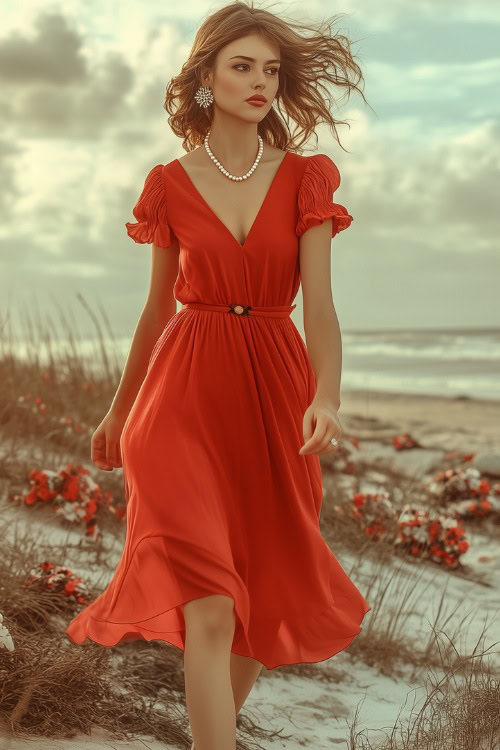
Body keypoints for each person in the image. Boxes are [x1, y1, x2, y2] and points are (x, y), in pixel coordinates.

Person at [66, 3, 372, 749]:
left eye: (271, 68)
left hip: (276, 392)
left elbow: (322, 310)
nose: (261, 81)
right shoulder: (168, 184)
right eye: (242, 66)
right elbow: (152, 312)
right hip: (181, 396)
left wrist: (326, 396)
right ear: (205, 78)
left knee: (259, 594)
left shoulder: (306, 178)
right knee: (210, 606)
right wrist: (118, 410)